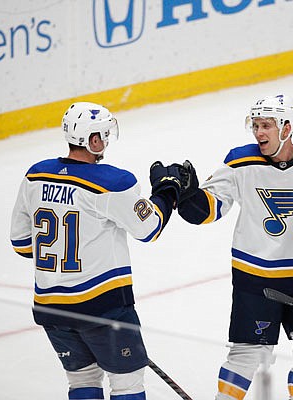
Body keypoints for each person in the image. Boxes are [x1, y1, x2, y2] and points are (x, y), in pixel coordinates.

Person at [10, 102, 184, 400]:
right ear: (93, 140)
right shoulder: (112, 182)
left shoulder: (35, 176)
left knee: (82, 382)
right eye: (103, 134)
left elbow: (22, 244)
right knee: (127, 385)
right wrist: (168, 190)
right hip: (102, 308)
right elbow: (149, 228)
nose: (105, 140)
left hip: (51, 309)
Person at [173, 94, 293, 399]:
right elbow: (210, 209)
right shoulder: (240, 161)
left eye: (267, 125)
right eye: (256, 125)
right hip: (255, 277)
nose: (259, 132)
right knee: (248, 353)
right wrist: (187, 197)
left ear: (287, 128)